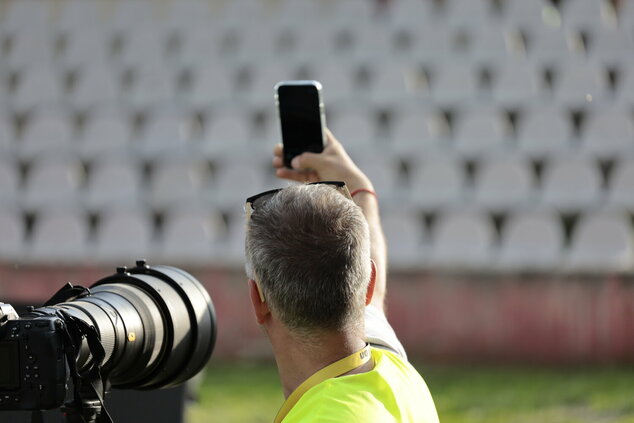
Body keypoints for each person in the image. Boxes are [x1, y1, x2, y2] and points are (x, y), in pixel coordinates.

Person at [244, 129, 439, 422]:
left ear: (259, 301)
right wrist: (361, 189)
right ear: (367, 285)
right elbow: (374, 288)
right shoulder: (392, 368)